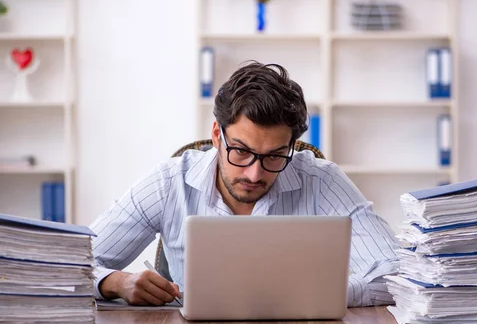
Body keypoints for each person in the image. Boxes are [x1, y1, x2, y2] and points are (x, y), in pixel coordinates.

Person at [91, 62, 399, 307]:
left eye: (276, 156)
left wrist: (324, 296)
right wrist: (116, 283)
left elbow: (396, 275)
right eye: (241, 151)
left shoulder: (323, 180)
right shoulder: (168, 182)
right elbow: (69, 263)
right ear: (216, 135)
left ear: (293, 146)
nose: (254, 175)